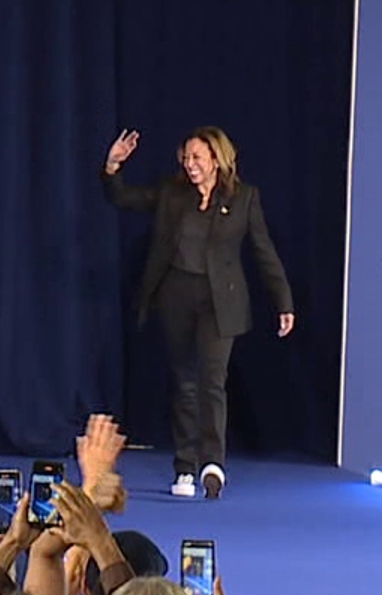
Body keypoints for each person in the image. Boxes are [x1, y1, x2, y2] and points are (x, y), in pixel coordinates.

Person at [99, 127, 295, 500]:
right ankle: (185, 466)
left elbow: (264, 252)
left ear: (216, 160)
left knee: (212, 381)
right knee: (185, 383)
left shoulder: (244, 198)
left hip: (222, 303)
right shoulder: (172, 194)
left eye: (197, 159)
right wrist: (112, 165)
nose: (190, 165)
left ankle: (212, 463)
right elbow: (124, 197)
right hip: (176, 297)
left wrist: (283, 302)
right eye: (186, 158)